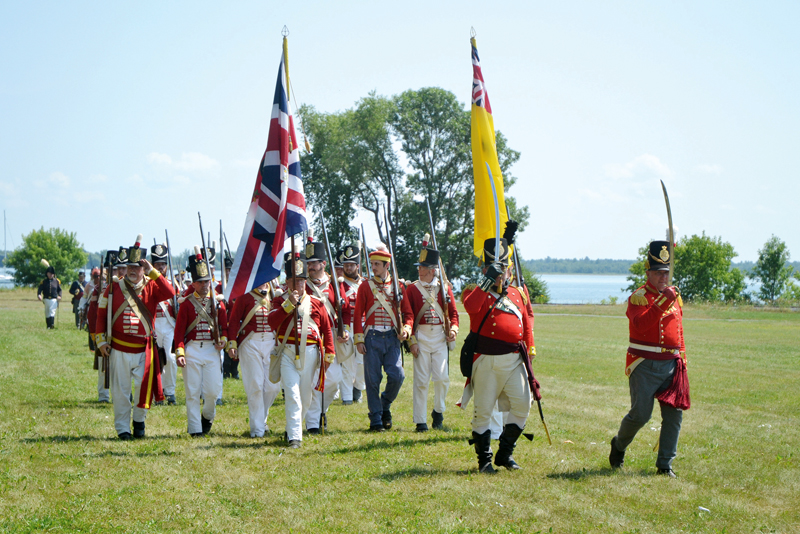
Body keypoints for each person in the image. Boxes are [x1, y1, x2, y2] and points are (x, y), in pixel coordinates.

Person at [609, 240, 690, 478]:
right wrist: (664, 300)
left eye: (666, 272)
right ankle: (619, 445)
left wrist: (682, 357)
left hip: (672, 364)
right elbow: (641, 325)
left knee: (674, 415)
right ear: (648, 273)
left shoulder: (674, 297)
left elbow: (679, 331)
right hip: (643, 365)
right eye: (657, 272)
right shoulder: (639, 297)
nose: (663, 277)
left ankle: (665, 464)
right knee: (641, 415)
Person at [461, 235, 535, 473]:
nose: (501, 274)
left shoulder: (517, 293)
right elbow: (471, 307)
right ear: (485, 269)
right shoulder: (476, 291)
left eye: (504, 269)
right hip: (487, 361)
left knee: (523, 404)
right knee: (483, 410)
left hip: (514, 360)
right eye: (496, 269)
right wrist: (487, 280)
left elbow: (526, 324)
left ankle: (505, 454)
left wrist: (530, 352)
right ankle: (484, 460)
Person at [96, 236, 175, 440]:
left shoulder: (151, 285)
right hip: (120, 348)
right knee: (121, 392)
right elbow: (101, 313)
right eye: (130, 266)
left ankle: (139, 421)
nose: (132, 270)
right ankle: (123, 429)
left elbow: (170, 292)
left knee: (143, 388)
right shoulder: (114, 287)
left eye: (137, 267)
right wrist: (101, 341)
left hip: (143, 350)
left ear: (143, 268)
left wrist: (153, 272)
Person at [268, 252, 336, 448]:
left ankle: (293, 427)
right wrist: (288, 305)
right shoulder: (279, 302)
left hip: (311, 354)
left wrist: (329, 352)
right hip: (288, 353)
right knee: (292, 395)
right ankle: (295, 437)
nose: (299, 285)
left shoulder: (316, 302)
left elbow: (326, 329)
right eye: (295, 281)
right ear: (288, 281)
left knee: (305, 398)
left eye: (302, 281)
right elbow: (271, 322)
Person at [401, 241, 458, 432]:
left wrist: (453, 331)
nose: (420, 271)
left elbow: (455, 316)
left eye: (424, 268)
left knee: (442, 378)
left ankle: (438, 412)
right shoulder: (412, 289)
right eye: (420, 268)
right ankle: (420, 421)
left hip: (440, 337)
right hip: (422, 337)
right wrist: (412, 342)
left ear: (433, 270)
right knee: (421, 380)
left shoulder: (444, 288)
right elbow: (407, 316)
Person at [173, 249, 228, 437]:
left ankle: (207, 417)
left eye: (207, 281)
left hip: (212, 351)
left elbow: (225, 327)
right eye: (201, 282)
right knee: (192, 392)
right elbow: (179, 332)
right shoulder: (187, 304)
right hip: (193, 350)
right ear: (194, 284)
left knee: (212, 392)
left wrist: (224, 341)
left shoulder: (217, 303)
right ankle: (195, 429)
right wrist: (180, 352)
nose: (205, 285)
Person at [353, 245, 408, 432]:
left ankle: (384, 404)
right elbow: (358, 313)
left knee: (397, 375)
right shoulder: (365, 286)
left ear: (386, 266)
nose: (373, 267)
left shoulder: (398, 286)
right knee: (372, 379)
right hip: (372, 337)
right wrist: (359, 339)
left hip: (392, 337)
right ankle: (375, 417)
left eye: (377, 264)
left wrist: (406, 329)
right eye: (372, 263)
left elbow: (407, 313)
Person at [304, 238, 347, 434]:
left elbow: (344, 310)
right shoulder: (302, 286)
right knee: (312, 381)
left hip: (330, 337)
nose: (311, 267)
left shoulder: (335, 285)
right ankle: (312, 423)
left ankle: (321, 410)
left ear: (323, 264)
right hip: (310, 338)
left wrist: (343, 330)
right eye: (308, 263)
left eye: (314, 263)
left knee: (333, 380)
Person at [227, 281, 280, 438]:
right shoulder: (245, 297)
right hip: (250, 342)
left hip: (271, 341)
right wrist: (232, 343)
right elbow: (234, 320)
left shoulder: (275, 295)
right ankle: (257, 429)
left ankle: (261, 419)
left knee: (273, 387)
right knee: (255, 385)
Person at [337, 244, 365, 405]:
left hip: (362, 325)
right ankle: (347, 396)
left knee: (361, 362)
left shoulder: (365, 283)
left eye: (351, 265)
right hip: (347, 325)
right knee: (347, 361)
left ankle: (358, 388)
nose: (348, 267)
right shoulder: (340, 284)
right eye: (346, 264)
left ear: (357, 266)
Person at [151, 244, 178, 406]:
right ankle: (157, 393)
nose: (161, 267)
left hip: (169, 325)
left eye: (163, 264)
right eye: (158, 265)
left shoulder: (173, 283)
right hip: (154, 325)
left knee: (170, 358)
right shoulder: (148, 283)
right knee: (155, 360)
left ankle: (170, 391)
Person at [37, 261, 62, 329]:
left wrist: (59, 296)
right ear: (47, 274)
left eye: (52, 274)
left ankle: (51, 325)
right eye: (49, 273)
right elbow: (39, 289)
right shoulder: (44, 282)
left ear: (53, 274)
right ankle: (48, 325)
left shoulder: (57, 281)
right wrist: (39, 295)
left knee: (52, 311)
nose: (50, 275)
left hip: (54, 299)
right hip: (46, 299)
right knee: (47, 312)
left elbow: (59, 290)